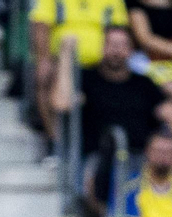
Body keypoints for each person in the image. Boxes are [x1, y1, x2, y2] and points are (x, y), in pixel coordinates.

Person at [55, 26, 172, 217]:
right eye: (111, 44)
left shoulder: (143, 84)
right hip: (98, 158)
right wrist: (66, 56)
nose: (117, 51)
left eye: (122, 45)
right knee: (97, 172)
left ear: (131, 50)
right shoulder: (88, 79)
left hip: (140, 156)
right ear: (102, 47)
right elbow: (61, 103)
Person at [30, 0, 129, 156]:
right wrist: (43, 59)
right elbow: (41, 25)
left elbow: (120, 30)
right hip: (62, 61)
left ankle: (112, 144)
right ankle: (54, 141)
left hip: (102, 63)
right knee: (44, 76)